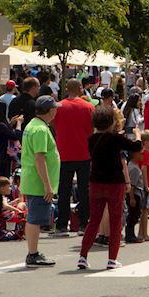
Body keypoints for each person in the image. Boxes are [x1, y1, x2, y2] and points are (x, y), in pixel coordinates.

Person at [78, 106, 135, 270]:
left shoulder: (91, 139)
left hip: (96, 182)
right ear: (112, 122)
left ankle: (83, 256)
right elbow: (133, 150)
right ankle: (112, 259)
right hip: (114, 183)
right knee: (115, 221)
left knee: (93, 220)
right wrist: (137, 135)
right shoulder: (116, 139)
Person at [21, 96, 60, 267]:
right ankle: (33, 254)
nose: (56, 111)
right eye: (55, 108)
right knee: (35, 219)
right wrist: (47, 185)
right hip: (38, 182)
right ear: (50, 110)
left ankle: (33, 253)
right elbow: (39, 158)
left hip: (32, 179)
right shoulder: (40, 129)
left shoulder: (33, 125)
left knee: (34, 218)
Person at [53, 80, 94, 235]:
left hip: (64, 153)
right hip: (84, 152)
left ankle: (62, 224)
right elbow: (92, 128)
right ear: (80, 88)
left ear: (66, 89)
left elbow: (54, 125)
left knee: (64, 190)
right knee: (84, 190)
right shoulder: (88, 106)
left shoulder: (59, 106)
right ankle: (84, 224)